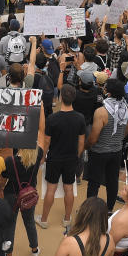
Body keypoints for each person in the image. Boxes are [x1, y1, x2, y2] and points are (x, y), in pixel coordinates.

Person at [38, 85, 86, 229]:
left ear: (60, 97)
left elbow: (47, 141)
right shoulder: (80, 118)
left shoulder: (52, 118)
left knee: (50, 189)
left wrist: (43, 156)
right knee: (69, 188)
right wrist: (76, 156)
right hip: (71, 158)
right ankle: (66, 219)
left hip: (54, 158)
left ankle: (44, 219)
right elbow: (82, 141)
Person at [85, 78, 128, 205]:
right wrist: (116, 140)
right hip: (116, 150)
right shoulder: (127, 110)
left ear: (109, 92)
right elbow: (126, 130)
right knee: (112, 181)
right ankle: (110, 208)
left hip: (99, 151)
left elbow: (93, 138)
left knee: (94, 182)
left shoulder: (101, 111)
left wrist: (86, 146)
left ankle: (89, 211)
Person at [0, 146, 43, 256]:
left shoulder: (10, 161)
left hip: (11, 195)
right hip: (29, 194)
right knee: (29, 222)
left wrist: (0, 189)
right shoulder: (38, 155)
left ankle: (9, 254)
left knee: (10, 224)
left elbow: (3, 178)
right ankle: (34, 249)